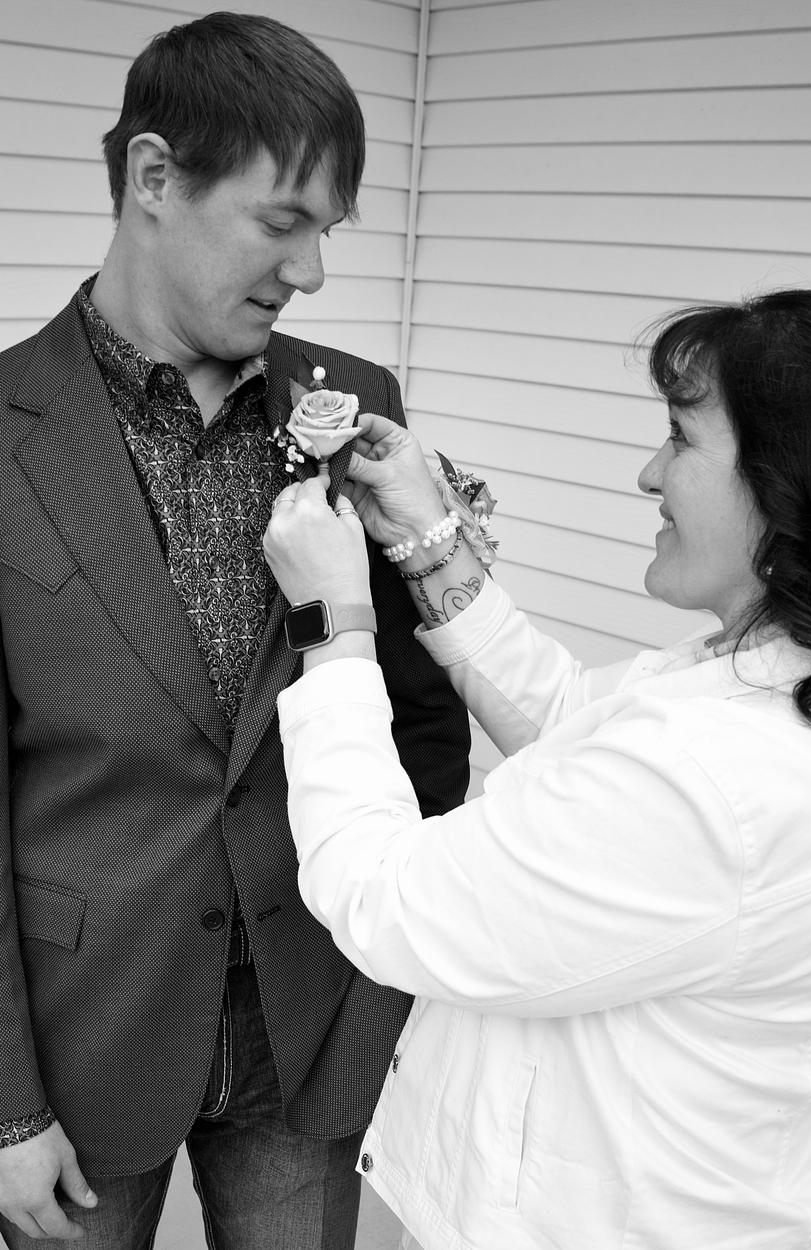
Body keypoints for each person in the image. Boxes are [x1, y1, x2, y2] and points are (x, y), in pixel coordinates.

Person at [262, 288, 811, 1250]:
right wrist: (424, 537)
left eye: (682, 439)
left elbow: (382, 897)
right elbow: (575, 724)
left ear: (800, 489)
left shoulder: (725, 773)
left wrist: (332, 621)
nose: (650, 473)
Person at [0, 12, 470, 1249]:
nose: (308, 271)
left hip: (311, 1024)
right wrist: (4, 1106)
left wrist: (398, 977)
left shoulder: (353, 402)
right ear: (155, 177)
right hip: (83, 1037)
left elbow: (418, 719)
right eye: (282, 222)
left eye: (328, 233)